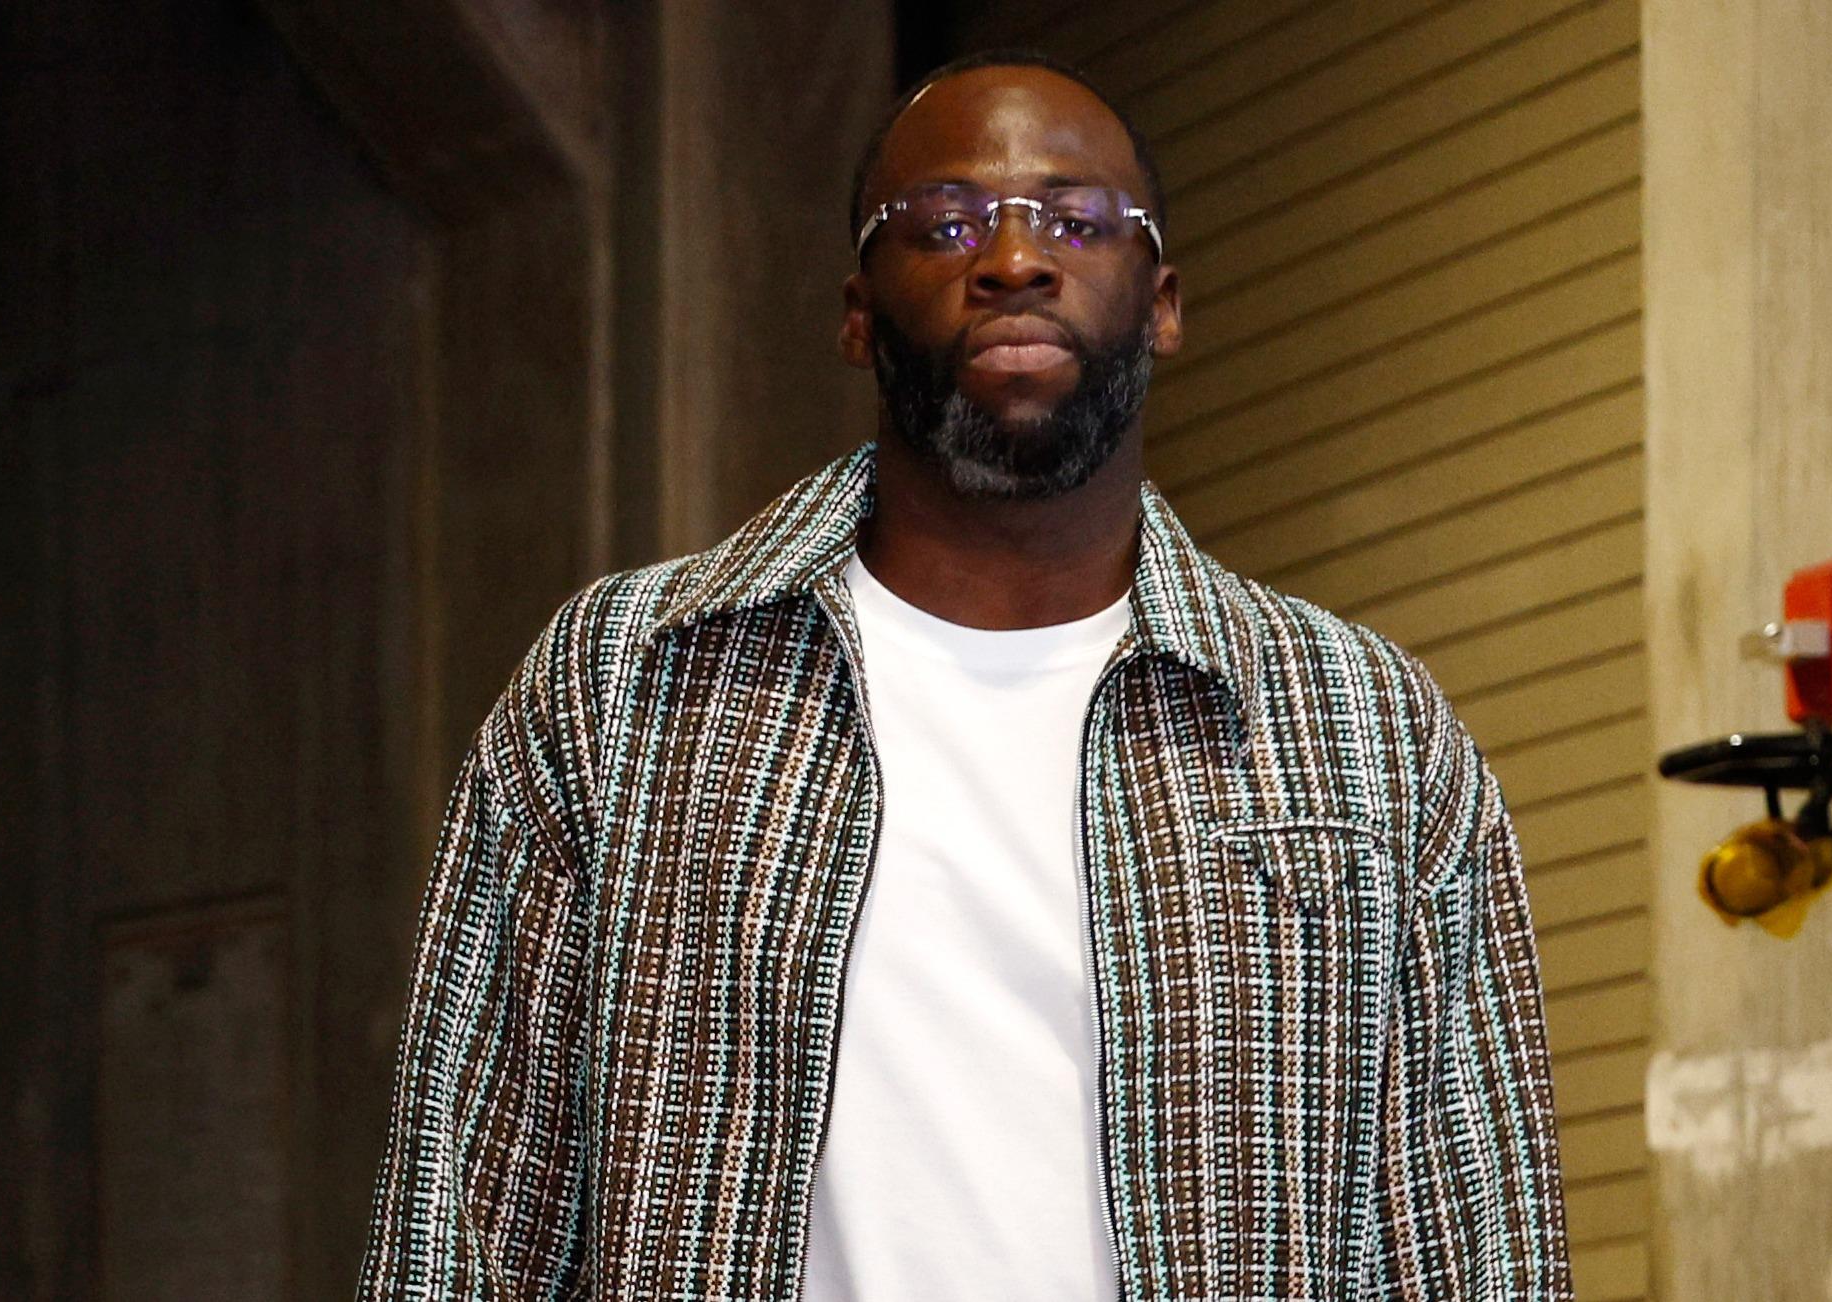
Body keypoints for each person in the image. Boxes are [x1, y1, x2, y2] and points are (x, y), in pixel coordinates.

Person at [358, 50, 1572, 1301]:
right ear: (854, 311)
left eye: (1078, 220)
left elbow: (1471, 1242)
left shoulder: (1365, 731)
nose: (1012, 259)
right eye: (943, 223)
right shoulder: (624, 689)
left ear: (1162, 302)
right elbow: (466, 1214)